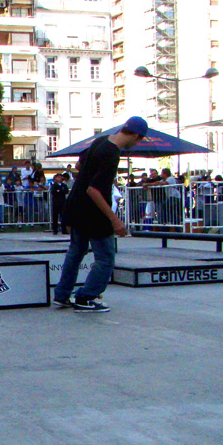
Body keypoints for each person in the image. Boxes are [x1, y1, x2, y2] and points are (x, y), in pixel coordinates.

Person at [53, 117, 147, 312]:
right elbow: (93, 190)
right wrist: (115, 220)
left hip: (76, 206)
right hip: (94, 212)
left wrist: (91, 173)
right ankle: (86, 297)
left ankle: (62, 295)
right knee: (105, 257)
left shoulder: (101, 140)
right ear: (136, 135)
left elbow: (79, 165)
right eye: (139, 140)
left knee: (76, 252)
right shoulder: (112, 153)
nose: (136, 144)